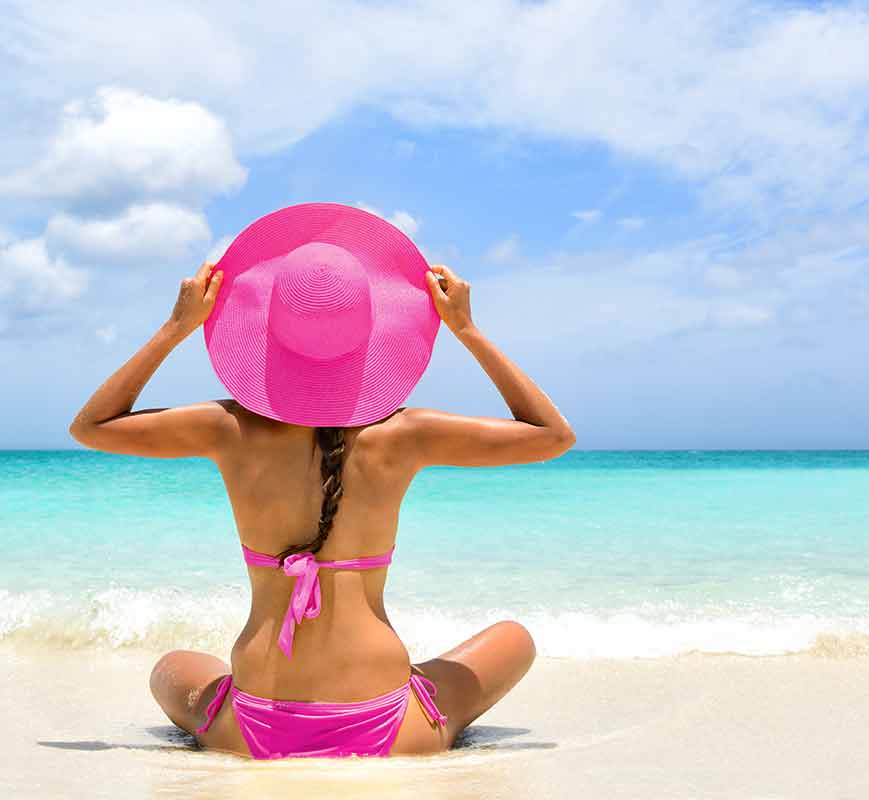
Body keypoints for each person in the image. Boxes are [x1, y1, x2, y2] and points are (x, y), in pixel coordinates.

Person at [69, 204, 575, 759]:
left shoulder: (227, 428)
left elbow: (93, 427)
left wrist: (176, 328)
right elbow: (552, 435)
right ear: (372, 337)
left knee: (172, 670)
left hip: (255, 727)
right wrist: (467, 330)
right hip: (386, 723)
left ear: (265, 335)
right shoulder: (407, 434)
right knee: (514, 640)